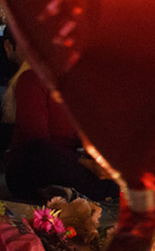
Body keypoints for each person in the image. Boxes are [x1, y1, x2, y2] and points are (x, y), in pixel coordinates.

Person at [2, 28, 117, 201]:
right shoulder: (31, 78)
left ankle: (76, 191)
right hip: (33, 166)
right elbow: (34, 139)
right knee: (43, 154)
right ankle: (96, 191)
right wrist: (84, 163)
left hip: (71, 164)